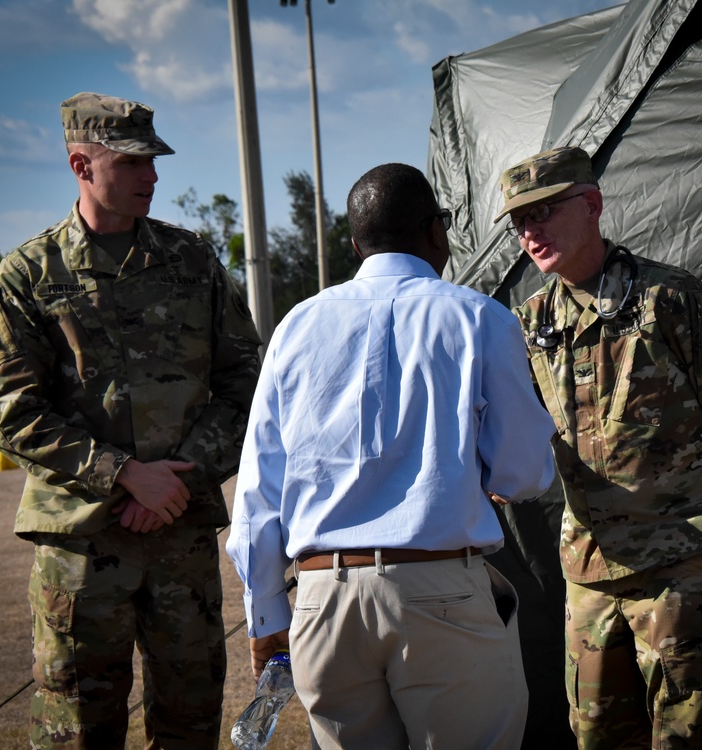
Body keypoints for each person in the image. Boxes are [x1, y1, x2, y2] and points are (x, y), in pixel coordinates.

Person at [225, 162, 558, 749]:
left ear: (355, 245)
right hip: (441, 592)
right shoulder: (478, 316)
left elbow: (257, 492)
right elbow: (524, 470)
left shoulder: (296, 326)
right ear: (437, 231)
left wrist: (267, 617)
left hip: (323, 600)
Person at [0, 92, 262, 749]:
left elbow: (244, 382)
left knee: (191, 722)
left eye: (154, 162)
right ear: (82, 165)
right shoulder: (29, 275)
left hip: (180, 538)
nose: (152, 176)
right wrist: (126, 476)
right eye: (133, 162)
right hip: (82, 549)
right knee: (78, 728)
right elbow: (15, 412)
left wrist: (179, 481)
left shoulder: (192, 263)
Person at [494, 145, 702, 749]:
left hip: (683, 571)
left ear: (592, 205)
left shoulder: (670, 301)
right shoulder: (530, 325)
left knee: (691, 737)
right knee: (598, 736)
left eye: (545, 211)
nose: (530, 231)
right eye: (520, 221)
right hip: (590, 579)